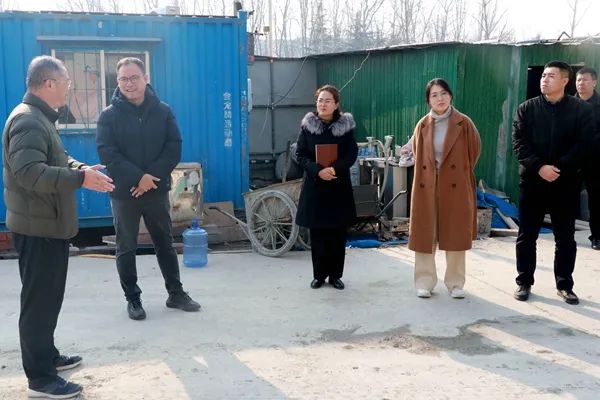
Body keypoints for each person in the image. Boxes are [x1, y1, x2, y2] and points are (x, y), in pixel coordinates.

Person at [2, 55, 115, 399]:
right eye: (66, 82)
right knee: (39, 302)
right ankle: (40, 379)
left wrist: (80, 168)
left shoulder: (40, 118)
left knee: (48, 299)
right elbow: (30, 173)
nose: (69, 89)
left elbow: (57, 158)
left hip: (47, 224)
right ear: (49, 83)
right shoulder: (29, 121)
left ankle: (47, 355)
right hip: (38, 228)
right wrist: (80, 180)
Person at [96, 57, 200, 320]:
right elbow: (107, 153)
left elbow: (173, 147)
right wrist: (138, 178)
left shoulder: (163, 111)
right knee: (126, 247)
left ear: (146, 79)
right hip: (125, 193)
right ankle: (133, 298)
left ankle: (175, 293)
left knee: (165, 243)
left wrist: (150, 177)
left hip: (155, 189)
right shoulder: (108, 116)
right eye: (123, 79)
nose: (129, 84)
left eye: (134, 78)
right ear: (117, 82)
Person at [512, 61, 594, 305]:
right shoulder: (527, 109)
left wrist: (559, 168)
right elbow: (519, 143)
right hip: (533, 181)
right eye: (543, 76)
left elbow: (585, 143)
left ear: (565, 81)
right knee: (527, 235)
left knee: (565, 237)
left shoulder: (581, 110)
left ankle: (565, 285)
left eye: (551, 76)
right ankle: (524, 281)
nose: (544, 80)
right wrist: (540, 167)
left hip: (565, 182)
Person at [408, 78, 481, 299]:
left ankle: (455, 283)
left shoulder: (464, 123)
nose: (440, 98)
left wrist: (458, 173)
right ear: (428, 100)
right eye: (434, 95)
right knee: (424, 233)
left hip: (455, 185)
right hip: (427, 184)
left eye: (443, 93)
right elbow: (417, 152)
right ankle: (424, 282)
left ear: (450, 96)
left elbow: (474, 151)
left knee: (455, 233)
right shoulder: (422, 124)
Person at [295, 85, 358, 290]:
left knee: (338, 234)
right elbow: (300, 154)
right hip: (316, 186)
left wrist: (334, 169)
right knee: (318, 234)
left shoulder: (346, 127)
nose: (323, 104)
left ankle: (336, 276)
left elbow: (351, 154)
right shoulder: (308, 127)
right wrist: (318, 171)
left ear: (336, 104)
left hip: (338, 186)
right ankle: (319, 276)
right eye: (320, 100)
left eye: (328, 100)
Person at [575, 67, 600, 250]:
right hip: (571, 160)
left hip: (596, 161)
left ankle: (597, 237)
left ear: (594, 82)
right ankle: (564, 235)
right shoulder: (568, 104)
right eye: (578, 80)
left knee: (596, 201)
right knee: (566, 199)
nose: (581, 83)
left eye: (585, 80)